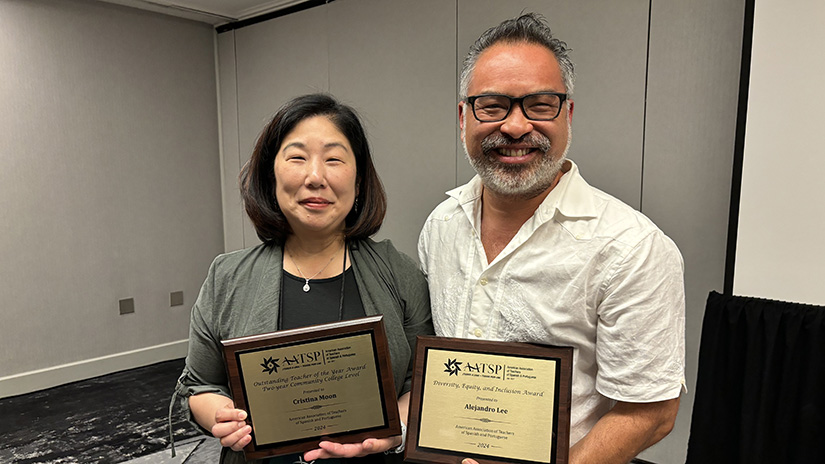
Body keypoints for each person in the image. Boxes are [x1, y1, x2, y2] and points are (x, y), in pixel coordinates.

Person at [417, 13, 685, 464]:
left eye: (540, 104)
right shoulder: (441, 225)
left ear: (568, 113)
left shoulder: (630, 247)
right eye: (492, 105)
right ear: (463, 117)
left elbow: (651, 411)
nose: (517, 127)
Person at [173, 94, 433, 464]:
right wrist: (220, 414)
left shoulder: (398, 272)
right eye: (297, 157)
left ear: (359, 182)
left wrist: (392, 433)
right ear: (271, 175)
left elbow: (421, 384)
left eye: (334, 159)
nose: (315, 177)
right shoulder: (226, 277)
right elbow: (199, 385)